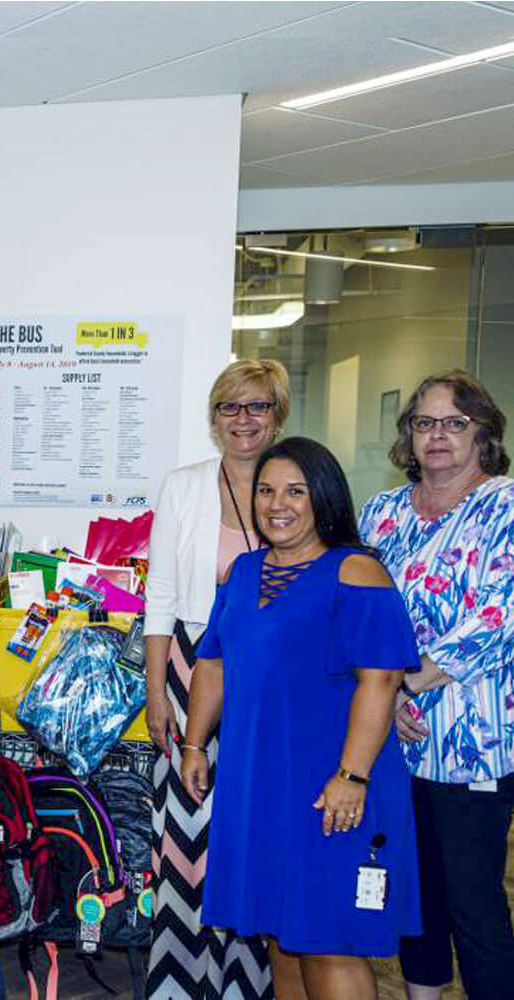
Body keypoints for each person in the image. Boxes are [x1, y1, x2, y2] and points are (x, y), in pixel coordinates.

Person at [181, 436, 422, 1000]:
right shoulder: (242, 573)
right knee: (281, 936)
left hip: (334, 784)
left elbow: (380, 680)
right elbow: (213, 663)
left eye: (296, 490)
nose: (277, 504)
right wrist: (195, 745)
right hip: (261, 781)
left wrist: (352, 776)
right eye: (266, 490)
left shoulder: (356, 573)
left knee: (329, 940)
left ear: (325, 499)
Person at [144, 358, 298, 1000]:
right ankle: (179, 983)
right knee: (184, 832)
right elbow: (160, 595)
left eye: (257, 406)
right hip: (187, 665)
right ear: (214, 418)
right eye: (231, 407)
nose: (244, 420)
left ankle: (244, 984)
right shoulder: (183, 486)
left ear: (277, 415)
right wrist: (156, 692)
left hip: (273, 681)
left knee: (252, 828)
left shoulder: (296, 486)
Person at [359, 370, 514, 1000]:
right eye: (425, 423)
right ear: (409, 435)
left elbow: (499, 614)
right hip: (390, 740)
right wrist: (384, 695)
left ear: (483, 433)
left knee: (474, 902)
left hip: (471, 740)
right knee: (412, 891)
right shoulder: (383, 512)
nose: (438, 435)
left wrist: (405, 685)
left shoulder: (504, 504)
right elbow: (358, 612)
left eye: (455, 422)